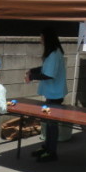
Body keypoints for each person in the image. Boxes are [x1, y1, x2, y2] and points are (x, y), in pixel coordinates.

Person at [25, 27, 67, 162]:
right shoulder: (52, 53)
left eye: (42, 37)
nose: (40, 40)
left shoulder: (54, 53)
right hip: (52, 92)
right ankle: (47, 147)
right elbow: (44, 69)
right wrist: (32, 71)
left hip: (55, 93)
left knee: (52, 123)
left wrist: (32, 77)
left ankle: (51, 151)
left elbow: (49, 75)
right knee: (48, 122)